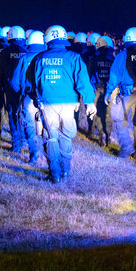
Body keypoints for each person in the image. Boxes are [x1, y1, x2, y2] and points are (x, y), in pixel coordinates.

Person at [30, 25, 95, 183]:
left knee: (51, 137)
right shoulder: (74, 57)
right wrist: (89, 102)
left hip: (48, 103)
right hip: (68, 103)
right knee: (66, 136)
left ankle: (55, 174)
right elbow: (83, 82)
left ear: (48, 39)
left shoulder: (39, 58)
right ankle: (65, 171)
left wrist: (36, 98)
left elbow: (32, 81)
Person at [105, 26, 136, 159]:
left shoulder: (122, 55)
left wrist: (109, 91)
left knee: (117, 117)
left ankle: (126, 147)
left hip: (127, 94)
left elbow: (114, 75)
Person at [11, 30, 47, 164]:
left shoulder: (24, 58)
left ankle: (34, 152)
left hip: (29, 96)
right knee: (48, 126)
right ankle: (48, 152)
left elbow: (15, 81)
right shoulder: (46, 56)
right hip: (46, 97)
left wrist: (19, 93)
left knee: (29, 125)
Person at [0, 26, 28, 153]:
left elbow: (0, 71)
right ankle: (25, 141)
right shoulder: (27, 51)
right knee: (25, 114)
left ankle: (16, 144)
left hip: (10, 88)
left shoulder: (5, 52)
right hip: (25, 88)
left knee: (13, 113)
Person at [88, 35, 115, 147]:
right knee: (108, 113)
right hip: (110, 89)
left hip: (97, 89)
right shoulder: (112, 59)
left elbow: (89, 75)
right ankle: (108, 135)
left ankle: (100, 135)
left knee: (97, 112)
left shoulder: (93, 59)